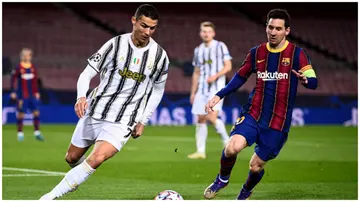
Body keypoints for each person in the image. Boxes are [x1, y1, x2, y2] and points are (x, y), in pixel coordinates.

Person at [40, 4, 169, 200]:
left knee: (97, 158)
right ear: (133, 21)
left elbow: (158, 90)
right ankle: (78, 176)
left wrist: (143, 120)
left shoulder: (159, 56)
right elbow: (87, 73)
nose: (147, 32)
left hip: (125, 118)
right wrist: (81, 97)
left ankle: (49, 196)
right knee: (72, 158)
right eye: (144, 26)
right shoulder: (114, 45)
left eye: (152, 28)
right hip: (96, 110)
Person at [203, 9, 318, 199]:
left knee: (255, 166)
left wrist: (306, 80)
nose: (273, 32)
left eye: (278, 29)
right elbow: (240, 77)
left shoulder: (297, 54)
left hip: (278, 122)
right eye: (270, 27)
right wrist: (219, 95)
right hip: (254, 113)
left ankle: (245, 192)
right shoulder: (256, 53)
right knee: (232, 147)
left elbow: (313, 81)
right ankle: (222, 179)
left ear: (287, 31)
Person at [188, 21, 232, 160]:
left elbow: (228, 66)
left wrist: (216, 76)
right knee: (200, 118)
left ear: (213, 33)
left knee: (211, 117)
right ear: (200, 33)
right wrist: (193, 92)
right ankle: (200, 151)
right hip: (201, 88)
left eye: (208, 31)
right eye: (203, 31)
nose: (206, 34)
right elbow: (196, 72)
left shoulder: (220, 46)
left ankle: (228, 142)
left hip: (216, 88)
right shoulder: (198, 50)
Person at [10, 48, 44, 142]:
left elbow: (35, 82)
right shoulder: (19, 68)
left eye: (28, 55)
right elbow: (13, 80)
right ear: (22, 56)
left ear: (30, 56)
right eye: (25, 55)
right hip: (22, 95)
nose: (26, 57)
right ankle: (20, 133)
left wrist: (37, 92)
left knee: (36, 112)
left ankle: (37, 132)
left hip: (32, 95)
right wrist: (13, 91)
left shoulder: (33, 67)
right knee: (21, 114)